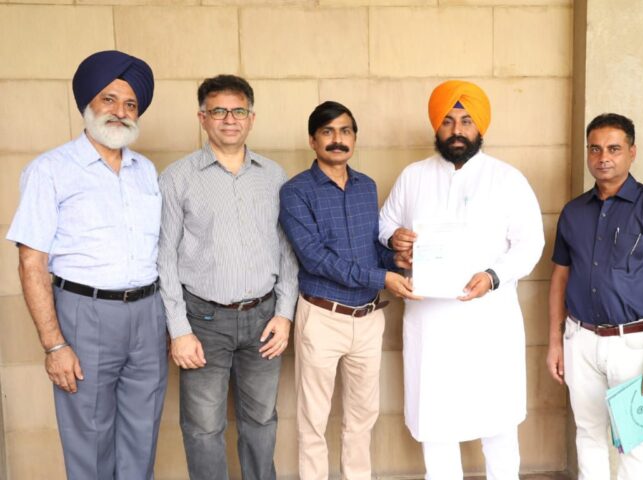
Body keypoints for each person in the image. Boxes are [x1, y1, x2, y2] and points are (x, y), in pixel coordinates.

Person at [6, 50, 165, 479]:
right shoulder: (51, 170)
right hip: (85, 314)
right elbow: (31, 261)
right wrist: (54, 345)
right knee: (89, 439)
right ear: (88, 103)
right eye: (109, 99)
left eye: (130, 103)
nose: (120, 112)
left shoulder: (146, 171)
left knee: (143, 433)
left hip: (148, 315)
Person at [379, 80, 544, 479]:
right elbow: (384, 224)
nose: (457, 130)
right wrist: (394, 239)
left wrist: (493, 275)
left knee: (497, 424)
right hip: (431, 325)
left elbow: (531, 243)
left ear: (479, 126)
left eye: (466, 121)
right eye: (448, 121)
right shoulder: (413, 176)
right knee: (437, 424)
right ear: (436, 126)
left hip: (488, 324)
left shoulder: (507, 179)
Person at [158, 74, 299, 480]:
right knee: (203, 428)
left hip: (264, 319)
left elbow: (287, 250)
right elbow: (164, 257)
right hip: (203, 321)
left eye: (238, 111)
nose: (229, 119)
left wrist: (284, 314)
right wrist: (179, 330)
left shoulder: (273, 175)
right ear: (202, 118)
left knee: (262, 421)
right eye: (218, 111)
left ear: (251, 118)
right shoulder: (178, 177)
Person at [278, 101, 415, 480]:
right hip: (322, 317)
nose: (337, 139)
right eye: (328, 132)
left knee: (362, 417)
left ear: (354, 137)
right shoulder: (295, 192)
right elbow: (315, 259)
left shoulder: (365, 186)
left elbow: (370, 248)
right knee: (313, 419)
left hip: (368, 318)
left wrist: (396, 260)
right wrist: (382, 278)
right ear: (312, 140)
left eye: (345, 131)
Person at [546, 113, 643, 479]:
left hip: (635, 344)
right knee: (587, 433)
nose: (603, 157)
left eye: (613, 149)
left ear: (632, 152)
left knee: (633, 440)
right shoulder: (573, 212)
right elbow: (559, 278)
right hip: (580, 339)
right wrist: (556, 342)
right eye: (595, 149)